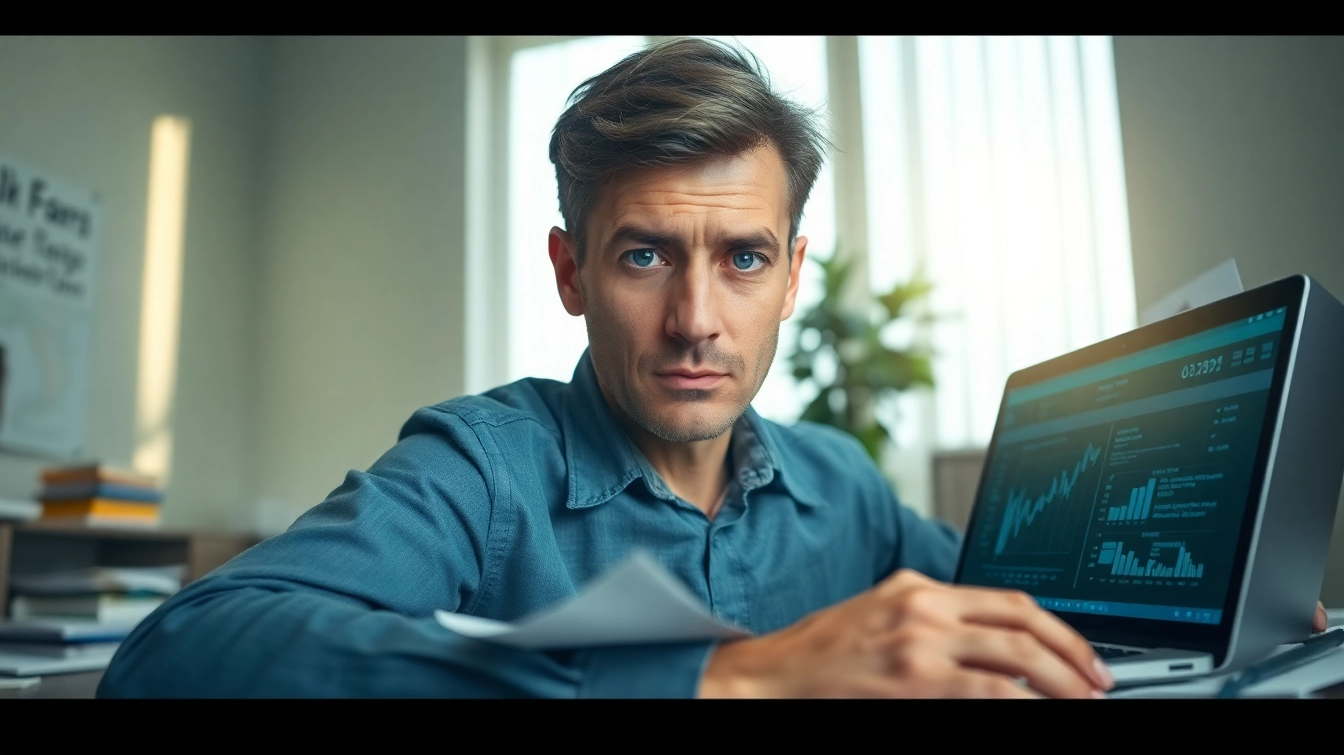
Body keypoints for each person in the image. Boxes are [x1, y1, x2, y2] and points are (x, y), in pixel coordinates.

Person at [98, 38, 1329, 699]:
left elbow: (996, 597)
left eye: (743, 258)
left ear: (791, 277)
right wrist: (726, 681)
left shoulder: (841, 488)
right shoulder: (480, 469)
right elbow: (179, 654)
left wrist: (1231, 606)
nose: (696, 320)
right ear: (572, 271)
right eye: (645, 256)